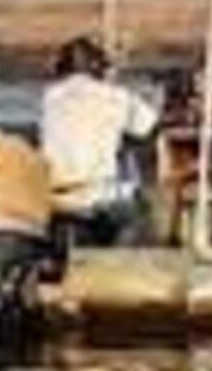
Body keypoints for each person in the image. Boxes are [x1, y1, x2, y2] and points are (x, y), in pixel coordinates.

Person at [40, 36, 158, 246]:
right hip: (95, 196)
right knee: (141, 207)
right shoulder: (117, 97)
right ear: (100, 69)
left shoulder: (50, 97)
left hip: (54, 194)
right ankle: (126, 263)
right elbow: (148, 127)